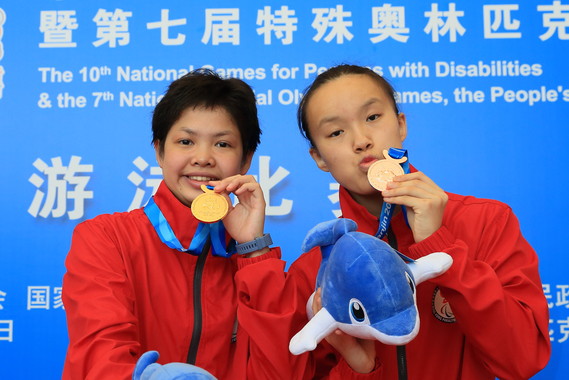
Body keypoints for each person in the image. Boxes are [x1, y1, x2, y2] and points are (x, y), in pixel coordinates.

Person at [287, 64, 551, 379]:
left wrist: (442, 246)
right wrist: (362, 368)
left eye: (372, 117)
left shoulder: (486, 220)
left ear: (401, 125)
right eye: (336, 132)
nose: (361, 140)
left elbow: (523, 360)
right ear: (319, 158)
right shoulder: (316, 269)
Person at [62, 69, 302, 379]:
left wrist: (254, 251)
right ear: (159, 150)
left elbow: (282, 371)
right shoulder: (106, 238)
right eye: (186, 141)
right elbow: (100, 356)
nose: (203, 158)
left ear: (246, 160)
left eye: (223, 144)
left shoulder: (256, 264)